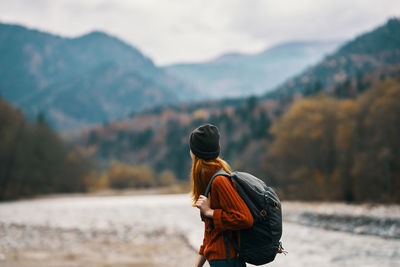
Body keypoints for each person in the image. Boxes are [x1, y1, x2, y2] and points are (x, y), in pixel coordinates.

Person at [189, 124, 253, 267]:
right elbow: (211, 233)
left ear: (195, 152)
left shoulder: (220, 181)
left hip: (228, 261)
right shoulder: (209, 180)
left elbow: (244, 218)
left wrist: (210, 212)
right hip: (219, 261)